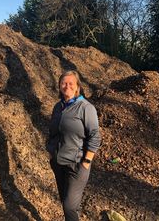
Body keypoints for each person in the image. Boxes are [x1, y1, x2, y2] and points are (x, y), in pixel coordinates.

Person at [47, 70, 101, 221]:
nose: (67, 86)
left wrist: (86, 162)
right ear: (59, 86)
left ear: (77, 87)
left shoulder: (85, 108)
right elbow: (53, 132)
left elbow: (95, 137)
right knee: (66, 202)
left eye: (71, 83)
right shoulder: (58, 107)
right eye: (64, 83)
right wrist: (51, 152)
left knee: (69, 206)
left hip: (76, 165)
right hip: (58, 163)